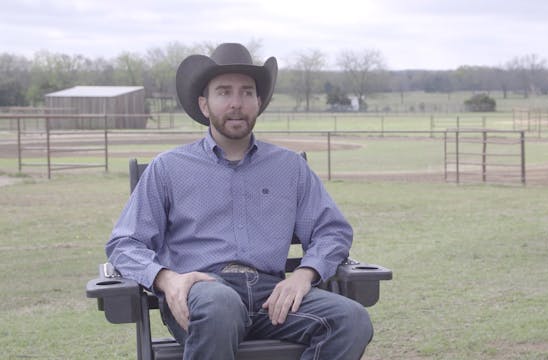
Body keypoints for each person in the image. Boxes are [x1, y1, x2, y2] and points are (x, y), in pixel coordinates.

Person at [105, 43, 373, 359]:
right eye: (224, 92)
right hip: (202, 293)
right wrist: (167, 280)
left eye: (247, 93)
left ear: (258, 102)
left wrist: (304, 274)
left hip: (270, 296)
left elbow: (333, 232)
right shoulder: (169, 168)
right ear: (204, 105)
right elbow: (124, 243)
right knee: (221, 305)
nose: (236, 103)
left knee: (352, 320)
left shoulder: (289, 167)